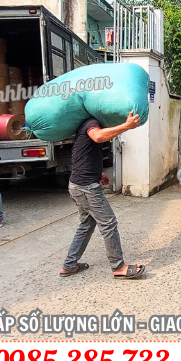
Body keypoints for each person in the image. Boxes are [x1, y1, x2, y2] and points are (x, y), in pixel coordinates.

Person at [60, 111, 146, 280]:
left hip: (79, 185)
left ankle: (69, 265)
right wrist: (126, 126)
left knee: (86, 224)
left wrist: (98, 174)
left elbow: (82, 155)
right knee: (108, 223)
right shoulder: (91, 123)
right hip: (86, 188)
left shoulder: (88, 124)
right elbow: (98, 137)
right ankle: (118, 267)